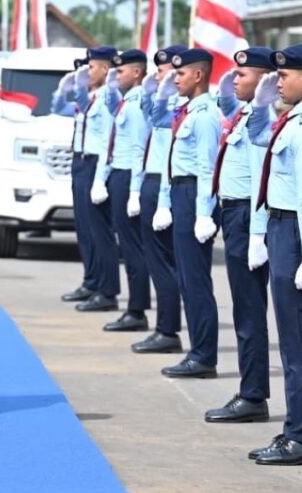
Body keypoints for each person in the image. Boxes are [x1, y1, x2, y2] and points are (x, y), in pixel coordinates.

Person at [246, 44, 302, 466]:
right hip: (282, 228)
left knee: (298, 342)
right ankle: (296, 428)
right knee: (290, 343)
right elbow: (257, 137)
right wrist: (261, 107)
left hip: (298, 233)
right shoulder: (289, 119)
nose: (278, 80)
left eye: (285, 75)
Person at [203, 48, 275, 423]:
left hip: (248, 218)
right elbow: (224, 100)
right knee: (245, 307)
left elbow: (262, 179)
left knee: (249, 309)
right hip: (233, 214)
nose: (235, 79)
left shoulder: (264, 119)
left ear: (264, 81)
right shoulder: (246, 113)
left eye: (243, 75)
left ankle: (253, 395)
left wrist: (258, 234)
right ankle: (252, 390)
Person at [156, 48, 222, 379]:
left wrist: (203, 212)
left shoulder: (206, 115)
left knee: (195, 280)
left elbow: (207, 167)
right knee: (186, 276)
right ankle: (197, 351)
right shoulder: (184, 111)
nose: (174, 78)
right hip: (181, 192)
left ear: (198, 75)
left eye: (180, 74)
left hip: (195, 195)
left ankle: (203, 355)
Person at [54, 46, 120, 313]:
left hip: (95, 163)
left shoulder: (107, 98)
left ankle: (107, 290)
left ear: (105, 69)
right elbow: (58, 108)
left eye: (91, 67)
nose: (86, 72)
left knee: (99, 231)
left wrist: (101, 178)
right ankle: (91, 281)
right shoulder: (88, 97)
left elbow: (107, 140)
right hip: (80, 161)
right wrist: (64, 88)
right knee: (84, 227)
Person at [132, 45, 186, 355]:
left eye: (166, 71)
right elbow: (146, 114)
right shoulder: (162, 104)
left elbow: (170, 157)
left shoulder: (179, 108)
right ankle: (163, 327)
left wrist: (163, 200)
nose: (160, 75)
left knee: (163, 263)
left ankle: (168, 329)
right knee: (156, 260)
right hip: (151, 182)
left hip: (164, 185)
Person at [101, 48, 151, 333]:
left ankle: (137, 309)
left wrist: (133, 191)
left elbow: (137, 150)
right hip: (117, 174)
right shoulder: (124, 102)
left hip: (128, 178)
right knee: (128, 245)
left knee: (133, 248)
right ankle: (135, 307)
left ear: (136, 72)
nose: (116, 75)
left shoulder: (136, 103)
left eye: (120, 71)